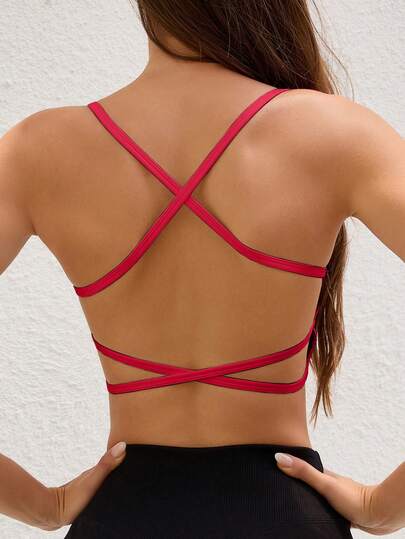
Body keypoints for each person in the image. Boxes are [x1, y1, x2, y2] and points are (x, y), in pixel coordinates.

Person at [0, 1, 404, 537]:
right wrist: (384, 506)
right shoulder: (335, 133)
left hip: (123, 515)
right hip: (284, 516)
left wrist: (43, 506)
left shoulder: (38, 151)